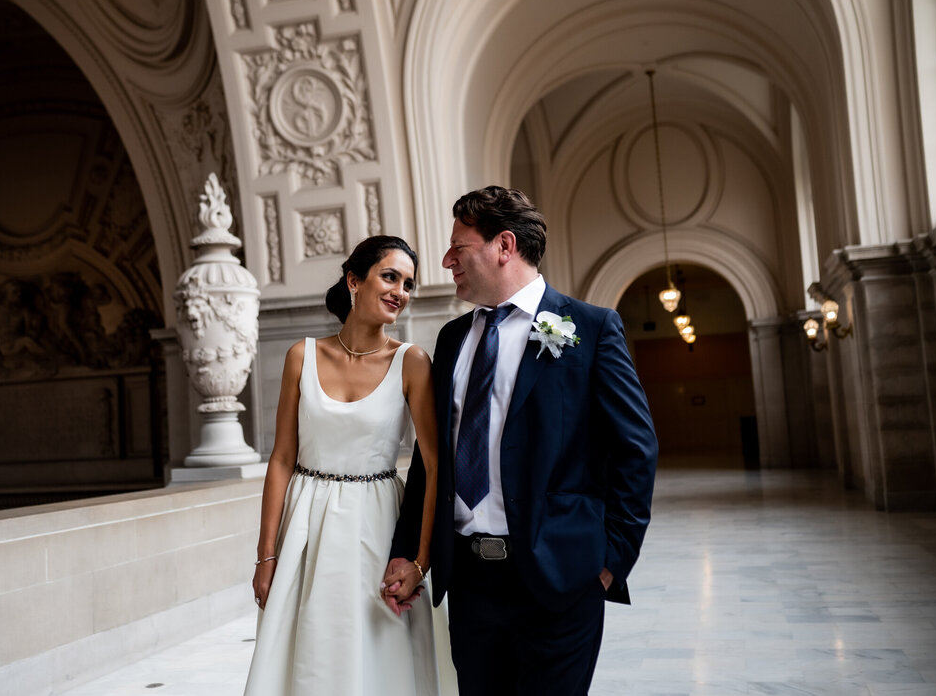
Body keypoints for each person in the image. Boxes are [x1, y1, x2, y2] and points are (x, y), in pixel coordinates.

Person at [386, 186, 659, 695]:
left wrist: (609, 562)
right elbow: (431, 461)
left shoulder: (591, 329)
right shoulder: (450, 340)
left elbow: (635, 449)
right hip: (469, 584)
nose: (446, 261)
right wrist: (410, 551)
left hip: (561, 580)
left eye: (458, 248)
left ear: (504, 246)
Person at [244, 235, 446, 696]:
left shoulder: (411, 362)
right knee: (311, 651)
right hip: (307, 525)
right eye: (390, 276)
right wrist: (266, 554)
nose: (401, 291)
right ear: (354, 280)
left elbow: (433, 465)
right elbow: (280, 460)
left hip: (379, 521)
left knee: (380, 651)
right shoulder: (302, 355)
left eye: (409, 284)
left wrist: (421, 558)